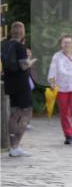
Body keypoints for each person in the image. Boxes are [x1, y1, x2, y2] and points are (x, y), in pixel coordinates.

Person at [2, 21, 36, 157]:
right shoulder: (20, 47)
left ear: (11, 31)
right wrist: (30, 60)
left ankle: (12, 147)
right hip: (21, 84)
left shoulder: (5, 45)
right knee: (26, 114)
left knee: (14, 113)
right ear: (22, 33)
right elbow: (23, 66)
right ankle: (15, 145)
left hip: (10, 83)